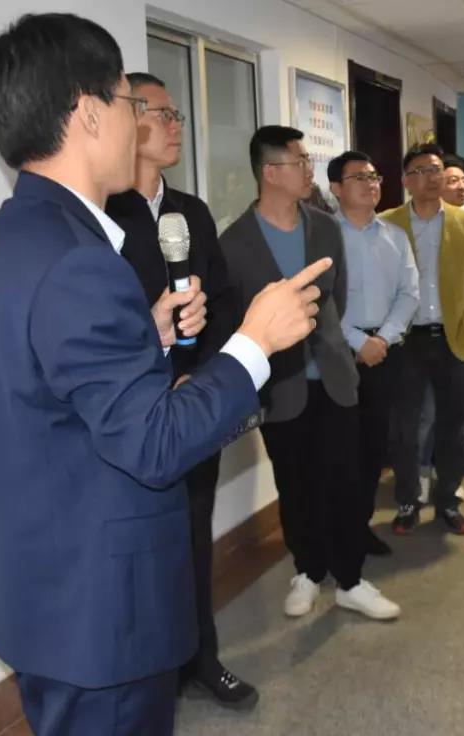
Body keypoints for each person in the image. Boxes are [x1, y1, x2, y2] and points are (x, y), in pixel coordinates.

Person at [0, 14, 327, 735]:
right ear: (88, 111)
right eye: (131, 103)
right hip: (101, 612)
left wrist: (147, 333)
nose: (139, 123)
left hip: (45, 588)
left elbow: (53, 389)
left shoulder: (10, 234)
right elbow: (154, 443)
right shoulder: (78, 260)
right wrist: (254, 343)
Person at [105, 72, 256, 710]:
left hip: (195, 403)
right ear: (128, 118)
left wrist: (207, 371)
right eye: (162, 114)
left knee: (195, 532)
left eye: (177, 117)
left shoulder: (189, 212)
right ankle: (152, 672)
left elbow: (221, 299)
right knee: (143, 549)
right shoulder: (104, 216)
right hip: (136, 411)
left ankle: (202, 657)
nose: (175, 127)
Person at [220, 126, 400, 621]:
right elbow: (237, 321)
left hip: (335, 379)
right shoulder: (235, 243)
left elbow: (334, 298)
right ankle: (307, 570)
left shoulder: (324, 228)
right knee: (296, 484)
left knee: (345, 481)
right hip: (281, 386)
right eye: (299, 162)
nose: (308, 170)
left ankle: (351, 580)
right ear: (269, 172)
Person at [381, 143, 464, 535]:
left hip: (453, 337)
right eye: (421, 171)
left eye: (436, 169)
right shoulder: (387, 223)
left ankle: (447, 500)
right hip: (406, 341)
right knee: (405, 429)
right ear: (406, 181)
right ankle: (408, 501)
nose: (431, 177)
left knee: (453, 426)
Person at [329, 150, 419, 556]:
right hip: (337, 353)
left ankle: (360, 527)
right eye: (359, 178)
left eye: (374, 176)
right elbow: (319, 300)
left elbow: (409, 293)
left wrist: (382, 339)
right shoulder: (323, 236)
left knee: (374, 446)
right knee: (339, 447)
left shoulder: (395, 236)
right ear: (336, 188)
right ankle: (335, 530)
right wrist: (357, 341)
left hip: (385, 354)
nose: (371, 184)